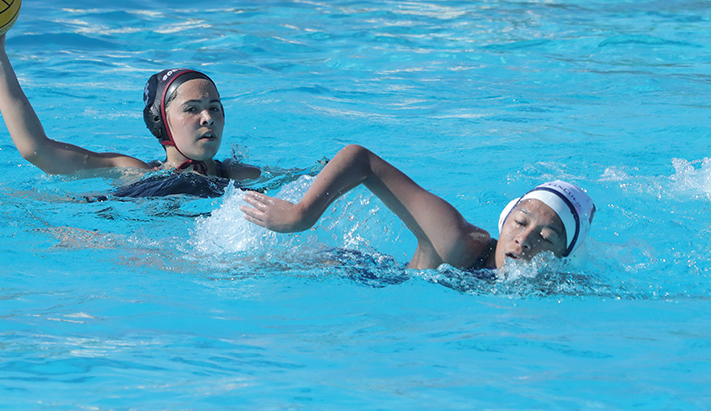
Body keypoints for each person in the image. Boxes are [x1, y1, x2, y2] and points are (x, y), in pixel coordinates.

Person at [0, 29, 260, 187]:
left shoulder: (239, 176)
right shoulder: (135, 174)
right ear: (160, 121)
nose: (208, 118)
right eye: (192, 109)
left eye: (215, 108)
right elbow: (36, 149)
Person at [241, 144, 595, 271]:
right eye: (520, 222)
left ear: (561, 256)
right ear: (504, 221)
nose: (525, 240)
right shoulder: (458, 242)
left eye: (546, 237)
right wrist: (301, 214)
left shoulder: (556, 289)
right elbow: (360, 159)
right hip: (359, 274)